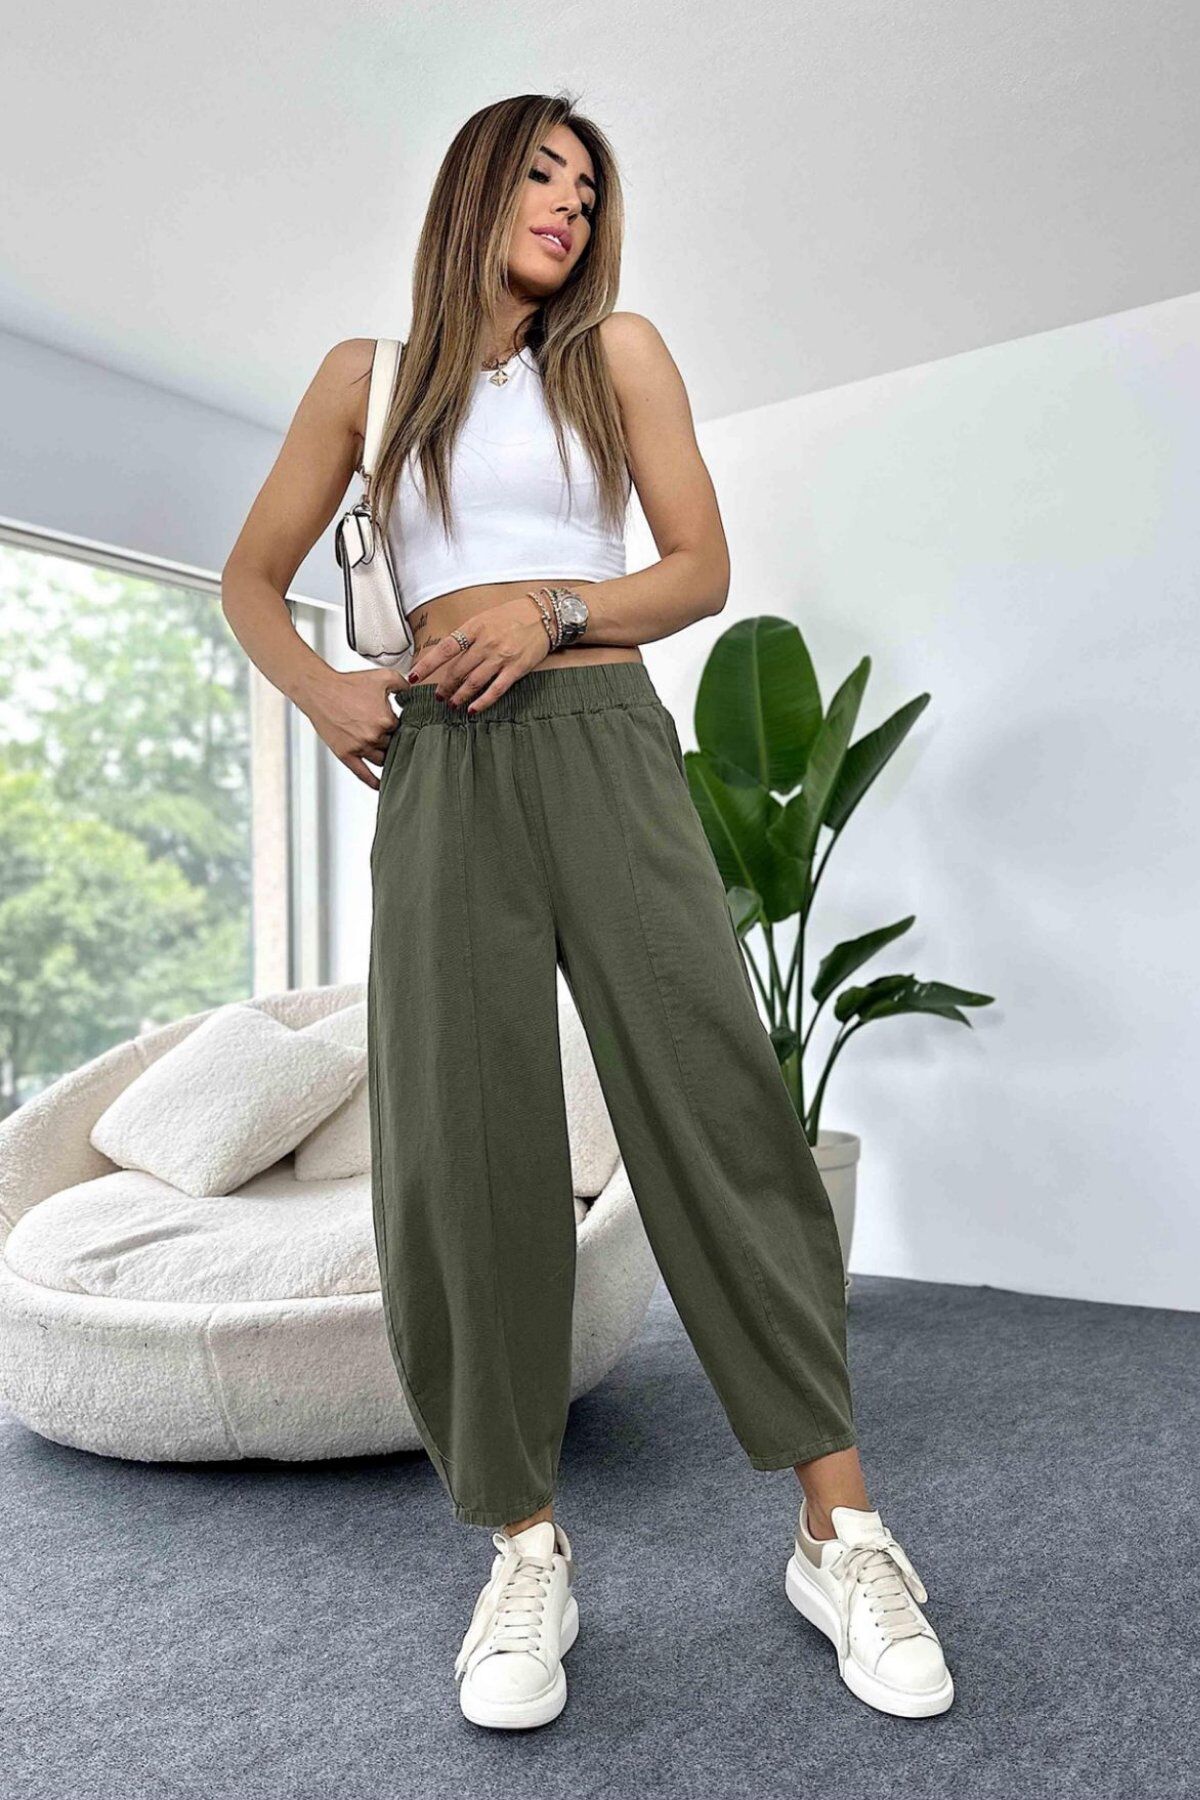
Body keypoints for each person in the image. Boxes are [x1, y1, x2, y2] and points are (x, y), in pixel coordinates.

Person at [220, 91, 954, 1733]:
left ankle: (839, 1533)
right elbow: (249, 579)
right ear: (475, 187)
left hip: (608, 737)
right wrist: (328, 694)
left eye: (588, 187)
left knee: (716, 1103)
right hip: (443, 769)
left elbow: (696, 568)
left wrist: (551, 606)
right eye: (542, 174)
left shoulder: (616, 356)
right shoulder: (364, 382)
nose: (570, 203)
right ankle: (524, 1547)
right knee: (462, 1143)